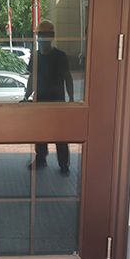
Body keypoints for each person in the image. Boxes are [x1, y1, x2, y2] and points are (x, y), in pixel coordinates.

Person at [23, 20, 74, 174]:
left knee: (60, 135)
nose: (42, 38)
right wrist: (26, 96)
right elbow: (32, 78)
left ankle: (64, 164)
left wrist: (71, 99)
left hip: (58, 103)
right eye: (40, 35)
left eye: (46, 35)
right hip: (40, 102)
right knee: (40, 133)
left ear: (52, 37)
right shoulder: (35, 56)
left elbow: (68, 78)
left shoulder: (60, 56)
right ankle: (41, 159)